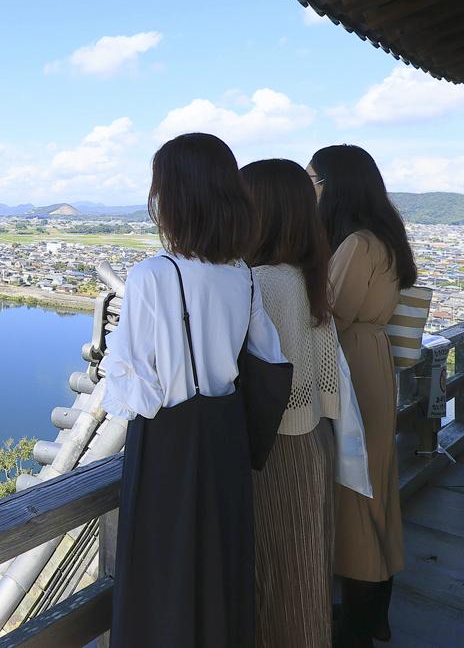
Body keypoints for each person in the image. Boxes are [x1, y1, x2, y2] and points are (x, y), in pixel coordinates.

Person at [103, 132, 287, 648]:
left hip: (169, 443)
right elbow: (270, 358)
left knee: (162, 572)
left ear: (175, 198)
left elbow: (131, 387)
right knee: (220, 563)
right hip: (225, 440)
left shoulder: (152, 275)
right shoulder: (242, 275)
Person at [308, 145, 416, 647]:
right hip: (374, 365)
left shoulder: (356, 244)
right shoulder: (386, 238)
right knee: (376, 489)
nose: (312, 188)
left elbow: (331, 316)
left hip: (350, 365)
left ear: (335, 184)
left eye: (315, 179)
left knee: (355, 494)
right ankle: (375, 615)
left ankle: (354, 627)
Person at [242, 159, 341, 648]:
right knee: (304, 576)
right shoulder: (306, 273)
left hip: (275, 448)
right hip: (313, 437)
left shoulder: (261, 283)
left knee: (276, 581)